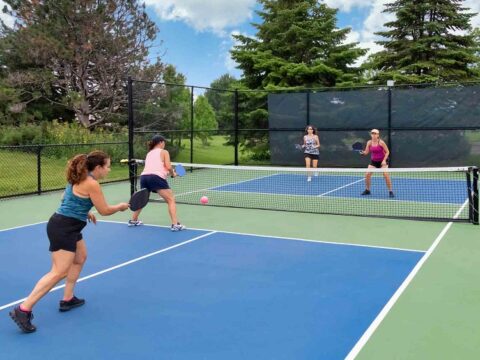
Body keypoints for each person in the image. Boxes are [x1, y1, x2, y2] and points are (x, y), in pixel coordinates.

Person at [9, 151, 129, 333]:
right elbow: (104, 210)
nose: (109, 170)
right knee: (58, 272)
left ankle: (67, 298)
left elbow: (66, 198)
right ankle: (23, 309)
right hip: (63, 228)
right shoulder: (92, 183)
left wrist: (85, 211)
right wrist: (120, 207)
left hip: (68, 225)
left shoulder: (78, 177)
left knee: (80, 257)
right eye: (108, 166)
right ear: (98, 168)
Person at [128, 134, 186, 231]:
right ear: (160, 142)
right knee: (171, 199)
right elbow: (167, 167)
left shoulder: (149, 153)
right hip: (155, 178)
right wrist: (172, 173)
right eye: (164, 143)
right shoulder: (164, 152)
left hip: (144, 177)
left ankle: (133, 220)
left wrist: (171, 173)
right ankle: (175, 224)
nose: (164, 145)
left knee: (142, 199)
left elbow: (157, 169)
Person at [360, 129, 394, 197]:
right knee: (367, 174)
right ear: (371, 134)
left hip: (383, 161)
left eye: (375, 133)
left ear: (378, 135)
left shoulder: (381, 142)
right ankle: (367, 190)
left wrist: (384, 160)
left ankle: (390, 191)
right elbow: (366, 152)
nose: (373, 134)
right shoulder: (369, 142)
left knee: (385, 175)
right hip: (374, 162)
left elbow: (387, 152)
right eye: (372, 133)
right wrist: (363, 153)